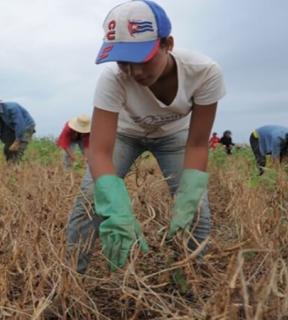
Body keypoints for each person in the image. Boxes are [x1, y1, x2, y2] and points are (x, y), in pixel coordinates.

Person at [66, 0, 226, 272]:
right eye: (124, 62)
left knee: (196, 211)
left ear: (168, 44)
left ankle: (190, 277)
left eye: (143, 58)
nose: (135, 72)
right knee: (91, 199)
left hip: (175, 136)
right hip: (125, 134)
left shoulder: (204, 73)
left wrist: (189, 195)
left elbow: (198, 144)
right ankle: (71, 278)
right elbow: (101, 151)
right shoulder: (112, 80)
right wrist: (116, 207)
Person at [0, 94, 36, 163]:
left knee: (17, 150)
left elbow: (20, 125)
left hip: (26, 127)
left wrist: (17, 141)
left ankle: (18, 167)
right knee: (7, 150)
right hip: (13, 128)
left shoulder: (12, 108)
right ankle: (10, 167)